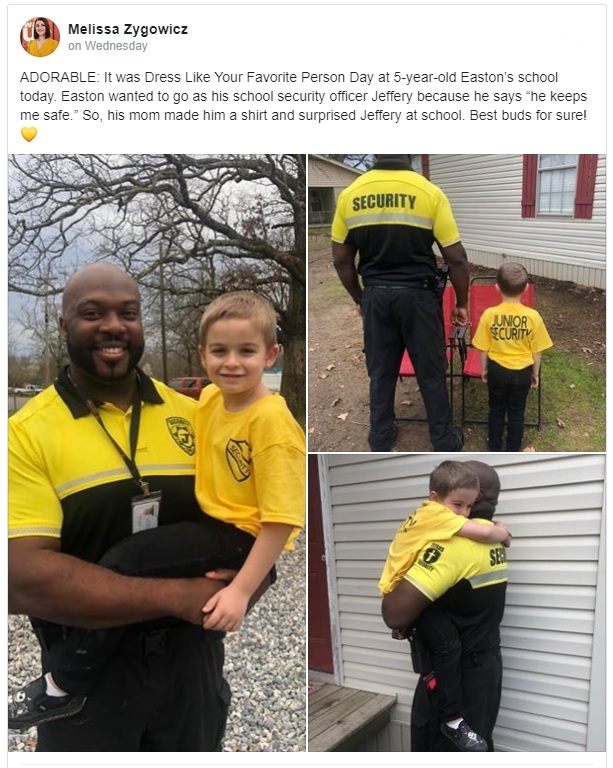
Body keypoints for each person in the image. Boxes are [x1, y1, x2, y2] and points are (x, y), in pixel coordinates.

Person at [8, 263, 274, 751]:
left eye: (127, 313)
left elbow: (249, 521)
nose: (113, 325)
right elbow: (22, 578)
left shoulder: (197, 414)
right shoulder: (25, 435)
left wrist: (240, 593)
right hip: (90, 683)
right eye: (93, 313)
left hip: (192, 670)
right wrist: (178, 598)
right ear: (62, 326)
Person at [331, 153, 470, 452]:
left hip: (376, 296)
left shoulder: (350, 195)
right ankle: (443, 439)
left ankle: (380, 437)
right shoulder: (429, 193)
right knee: (431, 372)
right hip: (419, 298)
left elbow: (341, 260)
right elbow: (456, 259)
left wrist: (361, 298)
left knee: (381, 371)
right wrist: (462, 303)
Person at [378, 461, 510, 751]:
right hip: (486, 673)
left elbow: (393, 613)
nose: (460, 510)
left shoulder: (454, 543)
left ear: (478, 493)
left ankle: (451, 721)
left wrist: (406, 620)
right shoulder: (495, 542)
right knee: (479, 742)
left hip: (452, 681)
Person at [472, 263, 553, 451]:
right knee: (517, 411)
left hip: (497, 369)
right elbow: (537, 350)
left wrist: (484, 369)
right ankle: (513, 446)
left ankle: (494, 445)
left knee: (496, 409)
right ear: (526, 288)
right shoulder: (533, 316)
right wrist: (535, 373)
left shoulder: (489, 315)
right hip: (523, 371)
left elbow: (483, 349)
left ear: (497, 287)